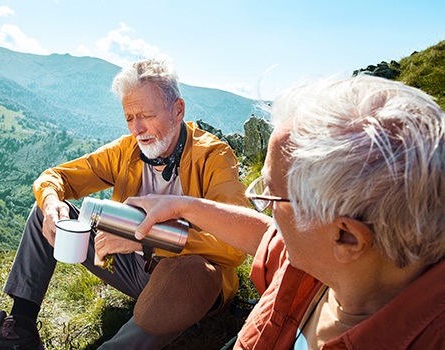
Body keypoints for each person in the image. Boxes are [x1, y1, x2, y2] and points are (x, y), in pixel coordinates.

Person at [126, 75, 445, 349]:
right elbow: (263, 234)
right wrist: (183, 205)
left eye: (273, 198)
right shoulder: (324, 264)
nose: (264, 207)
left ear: (347, 237)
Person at [0, 59, 247, 350]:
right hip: (133, 267)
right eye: (129, 117)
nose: (138, 128)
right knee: (45, 213)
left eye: (147, 115)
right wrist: (50, 203)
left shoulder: (214, 157)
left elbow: (235, 247)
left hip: (189, 275)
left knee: (184, 277)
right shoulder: (127, 151)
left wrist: (144, 237)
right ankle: (20, 329)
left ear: (178, 110)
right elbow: (55, 177)